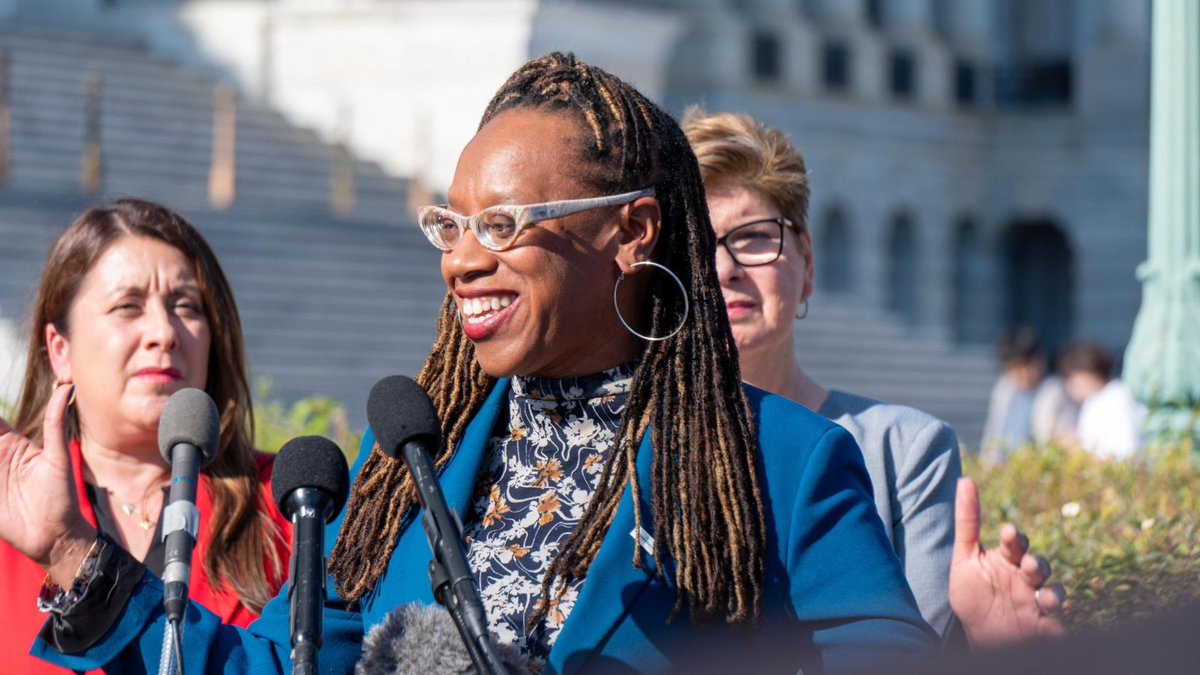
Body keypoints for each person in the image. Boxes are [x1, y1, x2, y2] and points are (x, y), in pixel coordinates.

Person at [9, 54, 1044, 674]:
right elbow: (265, 669)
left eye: (504, 224)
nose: (462, 259)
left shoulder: (785, 462)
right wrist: (70, 552)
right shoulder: (397, 465)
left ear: (631, 232)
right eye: (451, 224)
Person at [682, 110, 1064, 647]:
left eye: (755, 237)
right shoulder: (620, 452)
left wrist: (981, 645)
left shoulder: (905, 451)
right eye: (695, 245)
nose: (725, 268)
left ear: (807, 264)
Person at [0, 199, 292, 673]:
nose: (164, 332)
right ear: (60, 350)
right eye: (127, 306)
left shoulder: (288, 504)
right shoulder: (9, 512)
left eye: (186, 306)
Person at [1059, 341, 1146, 459]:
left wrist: (1080, 451)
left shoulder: (1117, 398)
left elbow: (1127, 452)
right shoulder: (1093, 401)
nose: (1071, 389)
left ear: (1085, 375)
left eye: (1072, 381)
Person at [980, 328, 1047, 459]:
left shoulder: (1054, 391)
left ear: (1041, 360)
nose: (1023, 374)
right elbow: (994, 431)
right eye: (1015, 369)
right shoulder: (1004, 389)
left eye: (1027, 366)